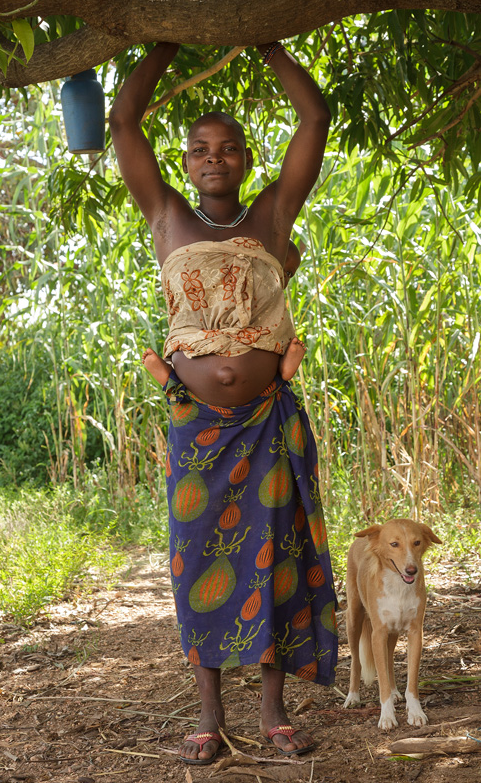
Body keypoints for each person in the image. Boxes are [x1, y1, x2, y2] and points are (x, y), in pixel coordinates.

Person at [110, 41, 337, 765]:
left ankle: (271, 712)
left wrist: (267, 41)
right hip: (197, 428)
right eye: (200, 148)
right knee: (195, 556)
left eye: (229, 148)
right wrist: (162, 43)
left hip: (266, 421)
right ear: (185, 163)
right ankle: (209, 717)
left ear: (244, 159)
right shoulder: (166, 218)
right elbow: (122, 125)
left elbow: (314, 115)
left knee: (270, 556)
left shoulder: (272, 217)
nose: (214, 158)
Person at [142, 239, 305, 386]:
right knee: (186, 343)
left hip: (262, 391)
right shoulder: (231, 282)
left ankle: (284, 368)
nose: (283, 276)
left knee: (277, 338)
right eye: (280, 269)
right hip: (198, 357)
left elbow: (276, 335)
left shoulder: (274, 309)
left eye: (289, 273)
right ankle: (170, 377)